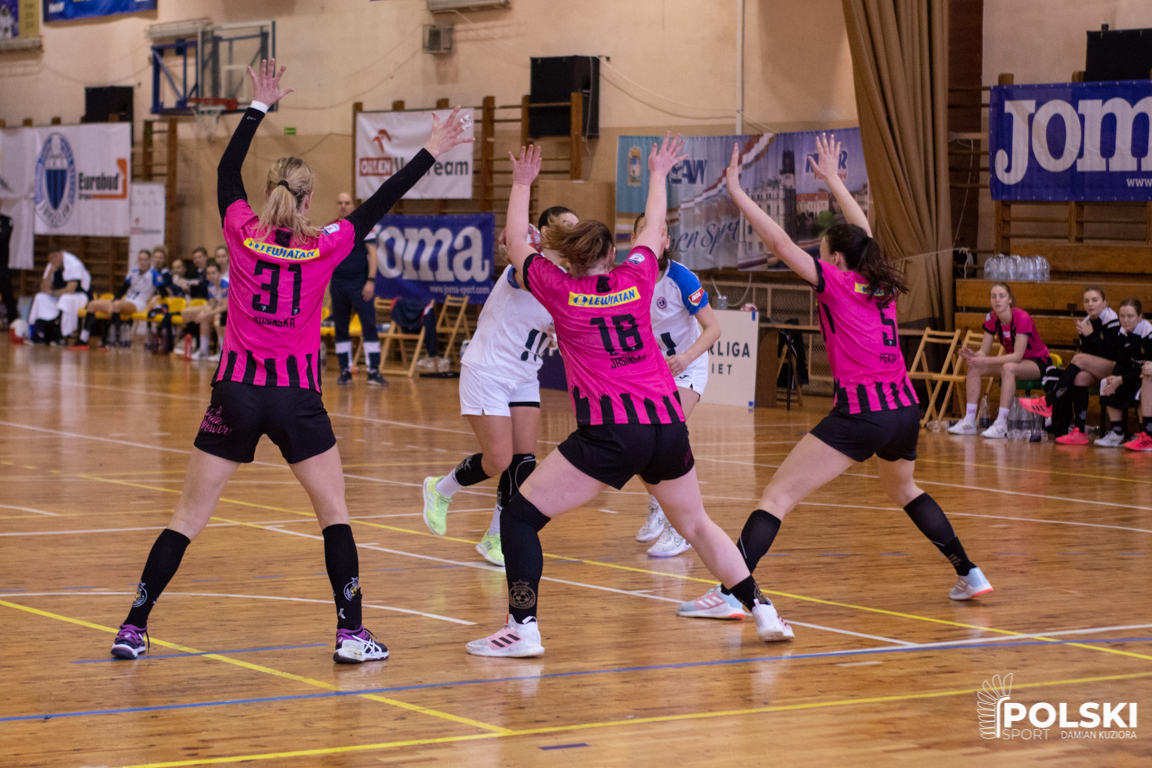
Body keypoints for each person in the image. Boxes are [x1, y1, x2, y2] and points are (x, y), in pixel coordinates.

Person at [109, 59, 472, 664]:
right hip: (296, 399)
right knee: (334, 516)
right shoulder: (327, 245)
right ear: (308, 198)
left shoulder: (240, 229)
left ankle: (133, 626)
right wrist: (432, 149)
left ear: (268, 191)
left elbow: (226, 170)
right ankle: (351, 634)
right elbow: (383, 200)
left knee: (187, 517)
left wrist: (258, 106)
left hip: (235, 392)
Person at [465, 136, 793, 659]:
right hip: (667, 423)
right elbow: (655, 227)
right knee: (697, 524)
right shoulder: (638, 277)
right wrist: (658, 173)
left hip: (612, 432)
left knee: (520, 517)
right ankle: (764, 610)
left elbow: (517, 244)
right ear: (613, 255)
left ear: (571, 261)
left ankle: (522, 628)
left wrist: (523, 183)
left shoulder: (559, 289)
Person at [677, 135, 991, 624]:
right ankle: (970, 572)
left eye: (824, 252)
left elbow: (780, 244)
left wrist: (736, 192)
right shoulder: (879, 282)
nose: (819, 258)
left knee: (777, 497)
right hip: (904, 410)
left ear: (836, 261)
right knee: (904, 489)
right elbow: (863, 233)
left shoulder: (838, 282)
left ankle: (730, 592)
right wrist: (833, 182)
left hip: (864, 412)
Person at [420, 219, 573, 566]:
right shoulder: (525, 271)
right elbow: (525, 261)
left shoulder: (566, 281)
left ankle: (495, 538)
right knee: (498, 459)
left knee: (523, 461)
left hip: (524, 376)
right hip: (488, 371)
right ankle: (440, 489)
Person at [631, 212, 721, 558]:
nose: (653, 236)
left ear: (666, 241)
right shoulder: (626, 279)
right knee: (637, 441)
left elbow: (714, 328)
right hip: (651, 373)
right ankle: (658, 503)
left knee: (667, 435)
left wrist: (686, 357)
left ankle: (679, 528)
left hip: (686, 366)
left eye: (661, 232)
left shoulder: (681, 277)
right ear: (635, 240)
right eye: (645, 231)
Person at [947, 282, 1051, 438]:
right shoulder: (991, 318)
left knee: (1008, 368)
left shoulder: (1022, 318)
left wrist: (986, 360)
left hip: (1038, 362)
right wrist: (974, 356)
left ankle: (1001, 424)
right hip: (1015, 363)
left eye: (1002, 296)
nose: (997, 300)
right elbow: (984, 351)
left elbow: (1017, 356)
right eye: (993, 296)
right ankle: (969, 421)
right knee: (974, 366)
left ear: (1010, 299)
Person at [1018, 286, 1119, 444]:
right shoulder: (1086, 322)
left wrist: (1090, 335)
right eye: (1086, 301)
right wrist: (1087, 336)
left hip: (1116, 368)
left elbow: (1109, 353)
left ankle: (1049, 401)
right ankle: (1079, 430)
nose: (1090, 304)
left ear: (1104, 303)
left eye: (1095, 300)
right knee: (1080, 377)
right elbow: (1090, 354)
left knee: (1079, 359)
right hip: (1099, 368)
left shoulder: (1112, 320)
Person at [328, 192, 386, 387]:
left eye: (347, 203)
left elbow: (373, 253)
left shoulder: (363, 226)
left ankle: (374, 371)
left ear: (353, 205)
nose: (344, 206)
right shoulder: (330, 228)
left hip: (360, 283)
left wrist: (370, 280)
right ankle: (345, 370)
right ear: (336, 206)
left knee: (369, 325)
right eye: (340, 203)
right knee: (340, 327)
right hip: (338, 283)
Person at [1091, 299, 1152, 448]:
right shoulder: (1122, 333)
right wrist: (1116, 378)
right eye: (1122, 316)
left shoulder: (1149, 335)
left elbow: (1146, 369)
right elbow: (1122, 363)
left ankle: (1147, 433)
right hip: (1134, 375)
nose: (1125, 320)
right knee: (1108, 382)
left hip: (1144, 377)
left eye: (1130, 316)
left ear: (1140, 317)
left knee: (1144, 382)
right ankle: (1117, 433)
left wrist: (1122, 379)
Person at [79, 249, 158, 349]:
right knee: (92, 304)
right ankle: (83, 340)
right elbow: (123, 289)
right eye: (140, 259)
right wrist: (114, 299)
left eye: (145, 260)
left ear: (149, 261)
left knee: (115, 306)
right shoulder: (132, 273)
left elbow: (163, 290)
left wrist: (156, 297)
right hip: (126, 300)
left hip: (138, 304)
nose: (142, 262)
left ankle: (114, 340)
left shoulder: (154, 274)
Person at [29, 249, 91, 345]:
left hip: (79, 296)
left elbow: (70, 290)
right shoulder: (51, 265)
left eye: (56, 257)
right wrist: (50, 272)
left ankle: (63, 335)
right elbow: (43, 288)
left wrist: (53, 293)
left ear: (61, 254)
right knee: (40, 297)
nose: (54, 260)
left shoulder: (73, 263)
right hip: (59, 295)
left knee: (65, 300)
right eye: (51, 258)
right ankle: (39, 333)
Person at [182, 260, 229, 360]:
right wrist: (203, 313)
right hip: (221, 308)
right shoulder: (211, 285)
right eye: (208, 273)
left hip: (233, 311)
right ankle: (203, 351)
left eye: (213, 273)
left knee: (217, 320)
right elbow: (212, 305)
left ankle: (223, 353)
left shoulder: (225, 284)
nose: (211, 276)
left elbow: (225, 307)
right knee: (200, 317)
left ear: (219, 273)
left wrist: (205, 314)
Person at [0, 213, 16, 329]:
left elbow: (3, 237)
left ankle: (13, 322)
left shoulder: (6, 220)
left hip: (1, 264)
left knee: (7, 294)